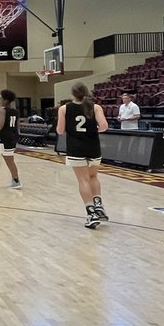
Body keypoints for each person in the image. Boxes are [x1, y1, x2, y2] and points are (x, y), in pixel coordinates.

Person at [57, 82, 110, 229]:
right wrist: (92, 131)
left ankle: (91, 213)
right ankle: (98, 204)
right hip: (93, 147)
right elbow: (104, 126)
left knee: (83, 180)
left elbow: (60, 131)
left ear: (72, 94)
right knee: (93, 177)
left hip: (76, 148)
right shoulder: (95, 107)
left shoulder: (64, 108)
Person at [0, 89, 22, 189]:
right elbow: (18, 126)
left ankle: (16, 181)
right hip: (12, 136)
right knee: (9, 160)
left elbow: (1, 124)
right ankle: (15, 180)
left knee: (10, 161)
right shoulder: (15, 111)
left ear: (5, 100)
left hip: (6, 137)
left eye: (1, 97)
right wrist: (16, 136)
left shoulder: (2, 110)